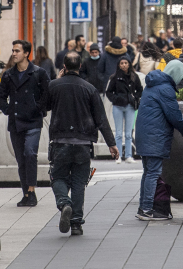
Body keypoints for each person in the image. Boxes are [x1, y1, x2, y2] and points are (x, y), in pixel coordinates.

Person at [46, 53, 119, 235]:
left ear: (64, 66)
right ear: (80, 66)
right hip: (83, 142)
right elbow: (101, 119)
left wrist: (56, 80)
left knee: (58, 176)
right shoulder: (90, 88)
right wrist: (111, 143)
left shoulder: (54, 86)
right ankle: (76, 223)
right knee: (79, 182)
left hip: (60, 140)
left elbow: (44, 106)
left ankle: (64, 203)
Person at [0, 39, 51, 207]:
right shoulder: (8, 74)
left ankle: (32, 191)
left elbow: (47, 95)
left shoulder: (38, 73)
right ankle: (25, 192)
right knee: (21, 159)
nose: (14, 53)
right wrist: (9, 110)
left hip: (33, 121)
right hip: (16, 121)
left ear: (27, 53)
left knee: (30, 153)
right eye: (13, 50)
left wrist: (38, 109)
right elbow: (0, 97)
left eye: (17, 51)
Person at [134, 60, 183, 220]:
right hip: (154, 137)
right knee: (153, 173)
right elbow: (175, 115)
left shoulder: (151, 86)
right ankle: (147, 209)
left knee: (148, 172)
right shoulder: (165, 89)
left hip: (145, 136)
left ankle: (142, 208)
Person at [105, 56, 143, 164]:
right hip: (118, 106)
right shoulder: (115, 77)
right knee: (118, 133)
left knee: (128, 133)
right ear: (118, 65)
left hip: (130, 106)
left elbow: (140, 89)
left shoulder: (134, 76)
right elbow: (109, 92)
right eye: (121, 63)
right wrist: (115, 99)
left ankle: (129, 156)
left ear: (129, 64)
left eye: (126, 63)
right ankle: (118, 156)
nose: (124, 65)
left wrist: (134, 97)